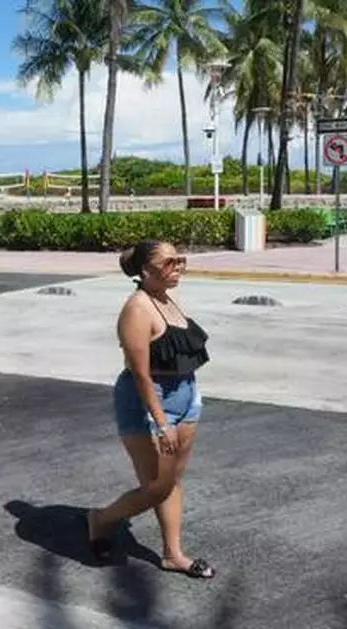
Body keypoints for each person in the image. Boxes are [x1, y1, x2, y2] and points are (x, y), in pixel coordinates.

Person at [86, 240, 215, 580]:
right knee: (157, 486)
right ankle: (100, 518)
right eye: (170, 262)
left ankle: (173, 554)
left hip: (185, 395)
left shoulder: (167, 298)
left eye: (180, 260)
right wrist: (160, 422)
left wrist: (189, 398)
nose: (179, 267)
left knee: (173, 481)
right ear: (146, 271)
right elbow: (140, 373)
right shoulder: (138, 309)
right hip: (150, 402)